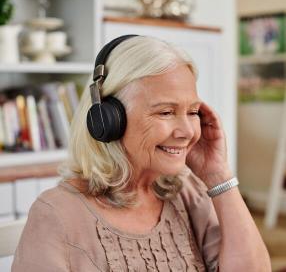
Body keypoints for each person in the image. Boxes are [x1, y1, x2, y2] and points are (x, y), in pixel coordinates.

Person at [12, 35, 271, 272]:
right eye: (166, 112)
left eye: (192, 112)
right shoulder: (56, 213)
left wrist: (218, 175)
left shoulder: (188, 192)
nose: (187, 132)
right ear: (107, 119)